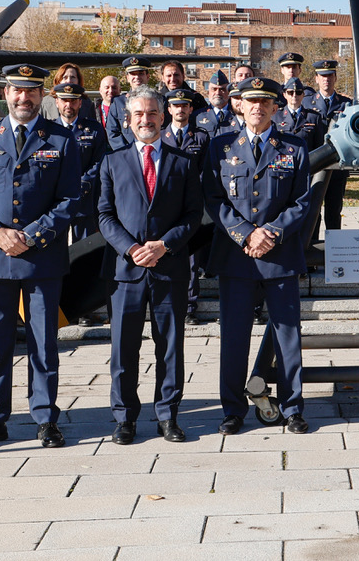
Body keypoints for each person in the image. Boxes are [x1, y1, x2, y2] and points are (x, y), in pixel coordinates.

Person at [0, 64, 83, 450]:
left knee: (43, 343)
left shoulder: (60, 139)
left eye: (31, 91)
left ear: (42, 94)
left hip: (41, 257)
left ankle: (45, 419)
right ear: (4, 93)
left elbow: (71, 199)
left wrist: (32, 234)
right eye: (16, 91)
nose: (23, 98)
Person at [206, 77, 314, 435]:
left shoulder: (294, 147)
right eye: (251, 101)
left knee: (287, 336)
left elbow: (302, 202)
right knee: (234, 337)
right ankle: (232, 410)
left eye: (265, 102)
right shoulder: (220, 146)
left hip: (279, 255)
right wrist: (245, 233)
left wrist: (270, 233)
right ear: (240, 104)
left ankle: (293, 407)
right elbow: (214, 199)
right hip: (236, 257)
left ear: (275, 106)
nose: (258, 107)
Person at [98, 87, 204, 444]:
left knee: (170, 346)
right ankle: (125, 418)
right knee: (123, 348)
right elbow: (104, 215)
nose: (146, 120)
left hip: (169, 267)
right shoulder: (112, 162)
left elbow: (193, 215)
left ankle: (168, 416)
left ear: (163, 116)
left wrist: (164, 245)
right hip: (125, 273)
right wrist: (130, 249)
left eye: (152, 113)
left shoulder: (184, 162)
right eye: (139, 114)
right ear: (128, 121)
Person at [160, 86, 211, 327]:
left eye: (184, 105)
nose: (180, 109)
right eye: (175, 105)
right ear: (168, 109)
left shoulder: (201, 137)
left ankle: (189, 305)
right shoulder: (160, 137)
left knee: (192, 257)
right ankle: (166, 302)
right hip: (165, 204)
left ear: (191, 108)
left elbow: (206, 171)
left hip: (192, 204)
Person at [51, 82, 109, 243]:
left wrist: (81, 184)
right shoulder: (47, 131)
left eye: (73, 101)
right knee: (54, 248)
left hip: (84, 200)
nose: (68, 105)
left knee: (84, 249)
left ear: (80, 103)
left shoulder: (94, 129)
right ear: (57, 102)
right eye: (64, 100)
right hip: (55, 203)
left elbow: (99, 160)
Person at [306, 59, 351, 233]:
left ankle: (334, 254)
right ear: (316, 79)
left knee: (334, 211)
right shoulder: (307, 103)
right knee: (312, 212)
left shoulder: (346, 105)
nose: (326, 79)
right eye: (322, 76)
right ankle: (313, 250)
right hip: (314, 166)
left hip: (337, 168)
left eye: (330, 76)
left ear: (335, 78)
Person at [106, 57, 150, 149]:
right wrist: (127, 153)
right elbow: (113, 133)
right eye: (133, 74)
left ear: (147, 76)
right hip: (127, 155)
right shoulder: (118, 103)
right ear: (127, 78)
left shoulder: (159, 101)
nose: (137, 77)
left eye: (141, 73)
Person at [273, 76, 325, 150]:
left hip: (307, 159)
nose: (294, 95)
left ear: (303, 95)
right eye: (290, 92)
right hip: (284, 160)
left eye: (298, 92)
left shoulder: (313, 117)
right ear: (284, 95)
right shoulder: (276, 116)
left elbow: (319, 147)